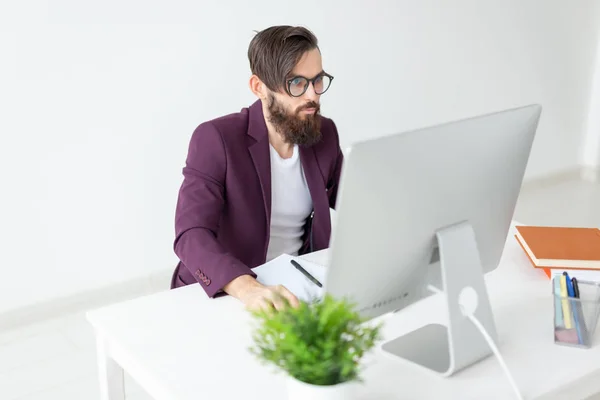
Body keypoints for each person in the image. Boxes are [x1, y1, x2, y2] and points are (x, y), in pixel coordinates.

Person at [170, 25, 343, 312]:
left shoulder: (324, 133)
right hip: (228, 288)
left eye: (318, 80)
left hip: (296, 284)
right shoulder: (217, 138)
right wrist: (248, 288)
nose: (312, 95)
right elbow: (191, 233)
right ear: (258, 87)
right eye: (296, 83)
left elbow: (356, 204)